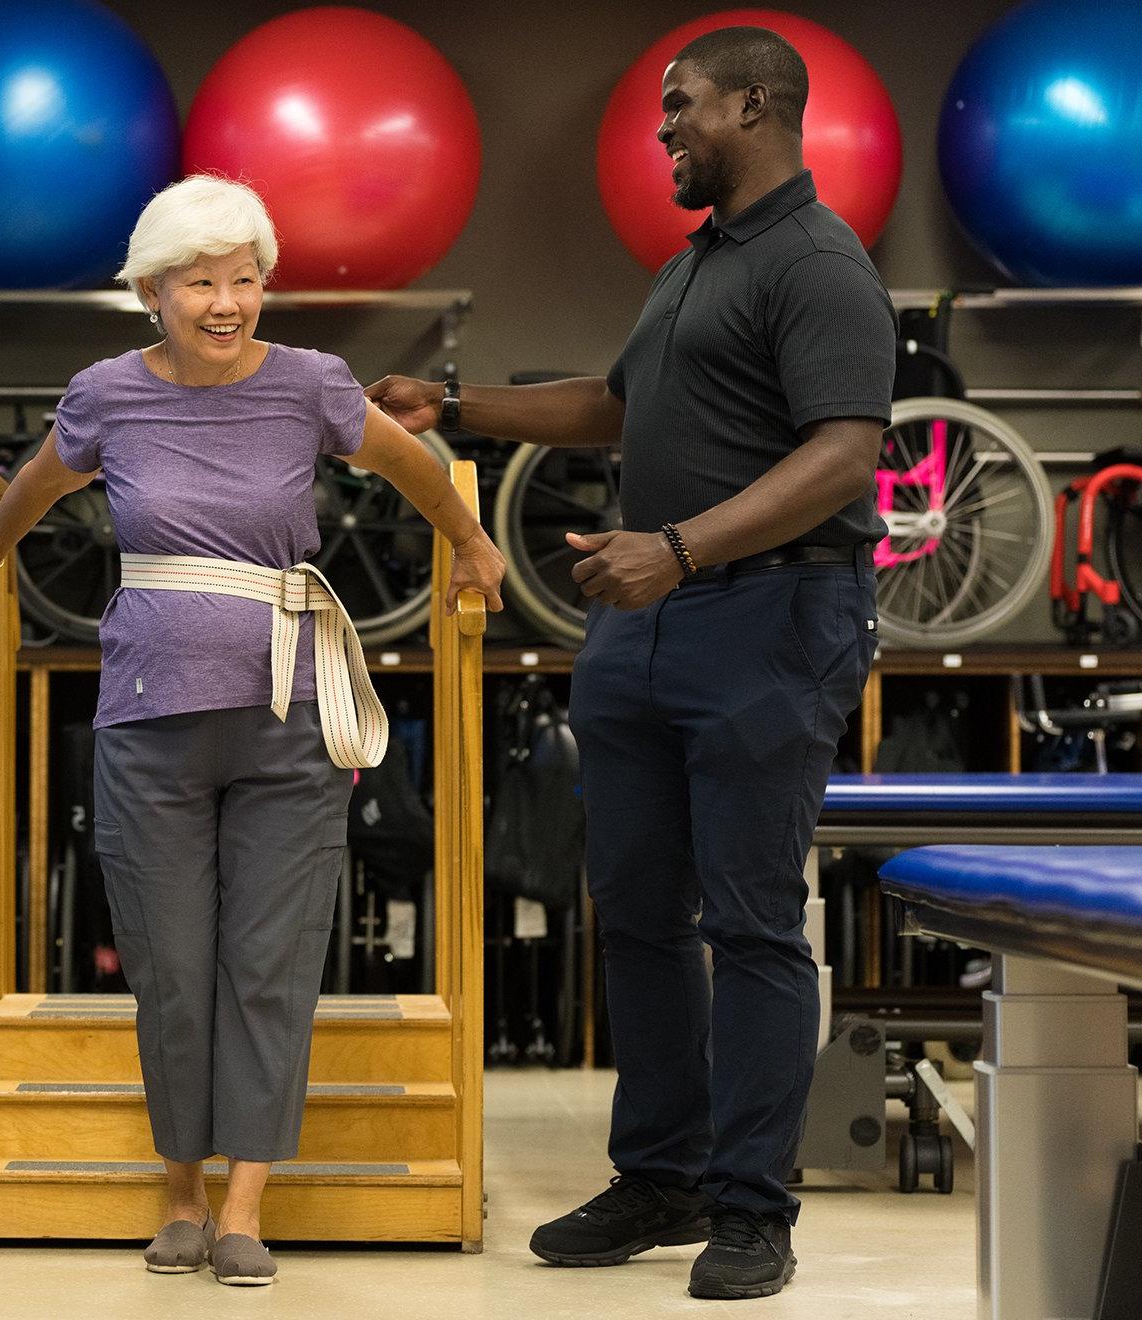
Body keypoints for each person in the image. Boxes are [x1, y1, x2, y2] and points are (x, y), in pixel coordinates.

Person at [370, 24, 891, 1304]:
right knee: (641, 918)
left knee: (755, 922)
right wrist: (458, 406)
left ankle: (752, 1210)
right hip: (647, 629)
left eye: (681, 106)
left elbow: (843, 453)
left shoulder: (821, 265)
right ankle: (659, 1176)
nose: (662, 128)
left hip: (769, 617)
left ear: (754, 104)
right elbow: (617, 404)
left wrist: (677, 548)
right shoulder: (691, 268)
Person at [0, 174, 505, 1287]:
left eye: (244, 279)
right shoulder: (105, 395)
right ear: (152, 291)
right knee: (170, 967)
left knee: (270, 966)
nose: (227, 301)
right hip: (147, 718)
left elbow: (412, 464)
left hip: (288, 717)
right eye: (201, 282)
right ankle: (179, 1193)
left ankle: (244, 1203)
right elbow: (37, 485)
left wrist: (470, 542)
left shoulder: (312, 388)